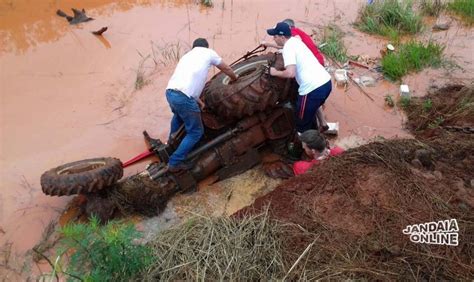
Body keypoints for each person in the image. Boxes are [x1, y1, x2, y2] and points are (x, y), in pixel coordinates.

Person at [165, 38, 238, 172]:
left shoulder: (186, 57)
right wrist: (235, 78)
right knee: (196, 132)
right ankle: (175, 162)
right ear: (206, 46)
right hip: (184, 98)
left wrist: (199, 102)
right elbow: (225, 68)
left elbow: (190, 82)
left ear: (194, 47)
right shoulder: (208, 52)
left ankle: (171, 145)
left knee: (178, 116)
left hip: (170, 93)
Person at [266, 21, 332, 133]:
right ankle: (323, 125)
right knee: (313, 107)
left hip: (312, 90)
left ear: (282, 37)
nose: (273, 39)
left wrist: (274, 72)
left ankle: (312, 146)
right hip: (326, 83)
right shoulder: (296, 41)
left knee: (301, 124)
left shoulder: (288, 48)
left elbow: (290, 73)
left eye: (275, 36)